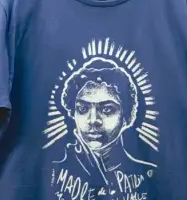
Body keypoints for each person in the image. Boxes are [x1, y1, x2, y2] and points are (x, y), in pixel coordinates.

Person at [56, 57, 154, 187]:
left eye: (107, 109)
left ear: (126, 117)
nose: (93, 120)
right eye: (82, 108)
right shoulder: (53, 173)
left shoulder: (149, 174)